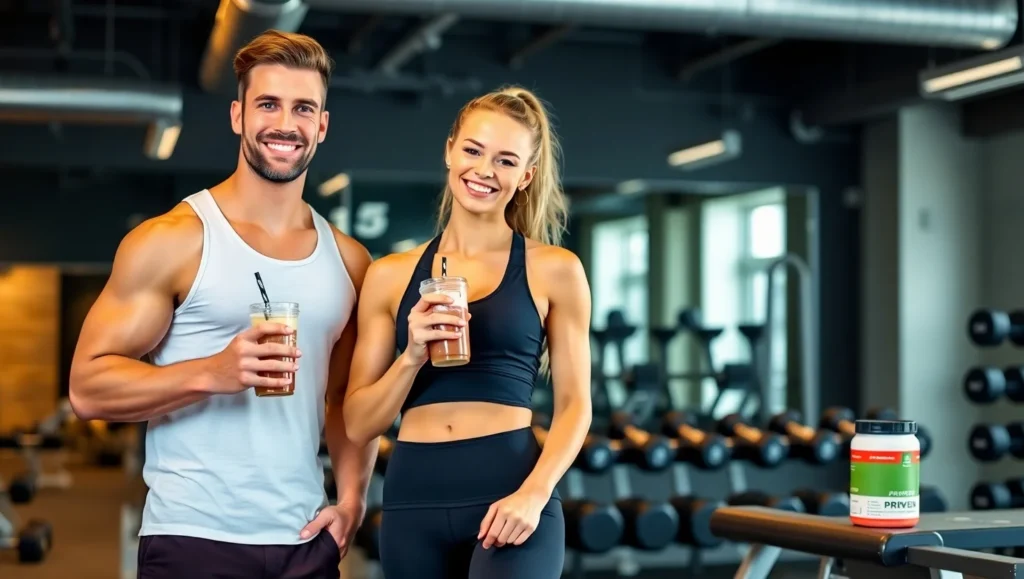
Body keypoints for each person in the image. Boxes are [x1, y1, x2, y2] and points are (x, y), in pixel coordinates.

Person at [68, 30, 375, 579]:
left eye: (304, 107)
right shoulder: (174, 240)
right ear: (237, 116)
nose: (286, 123)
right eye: (268, 104)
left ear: (322, 125)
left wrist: (353, 497)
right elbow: (88, 388)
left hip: (303, 538)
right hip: (193, 537)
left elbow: (345, 399)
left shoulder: (349, 262)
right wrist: (211, 371)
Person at [343, 86, 593, 578]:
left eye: (505, 160)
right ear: (450, 150)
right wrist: (411, 354)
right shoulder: (390, 275)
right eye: (473, 151)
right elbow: (357, 424)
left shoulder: (555, 269)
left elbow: (575, 406)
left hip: (511, 493)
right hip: (413, 499)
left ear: (526, 176)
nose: (483, 171)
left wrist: (535, 494)